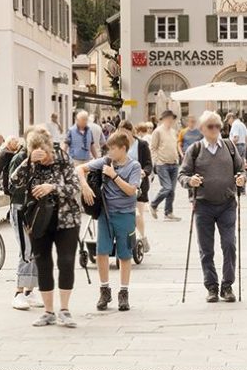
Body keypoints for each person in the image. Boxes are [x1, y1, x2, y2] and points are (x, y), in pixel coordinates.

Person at [12, 126, 82, 328]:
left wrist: (52, 188)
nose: (42, 156)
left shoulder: (63, 159)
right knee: (43, 264)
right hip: (38, 220)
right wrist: (28, 161)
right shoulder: (29, 163)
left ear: (49, 147)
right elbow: (13, 181)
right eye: (37, 152)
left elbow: (74, 187)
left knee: (66, 262)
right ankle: (48, 311)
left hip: (66, 219)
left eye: (44, 151)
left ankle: (65, 309)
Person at [178, 111, 246, 303]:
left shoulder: (229, 147)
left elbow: (240, 169)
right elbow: (182, 175)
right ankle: (212, 286)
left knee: (229, 244)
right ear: (202, 129)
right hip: (203, 205)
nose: (215, 129)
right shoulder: (195, 149)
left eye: (218, 126)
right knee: (206, 249)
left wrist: (241, 178)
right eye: (210, 126)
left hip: (227, 204)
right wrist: (190, 181)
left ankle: (227, 285)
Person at [77, 131, 142, 312]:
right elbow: (79, 169)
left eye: (113, 149)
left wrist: (114, 176)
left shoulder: (134, 166)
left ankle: (124, 292)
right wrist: (85, 186)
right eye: (109, 149)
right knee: (101, 251)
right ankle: (104, 290)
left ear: (123, 148)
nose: (110, 152)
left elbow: (131, 191)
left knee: (125, 255)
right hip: (105, 214)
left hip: (126, 214)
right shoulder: (105, 161)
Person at [3, 136, 40, 309]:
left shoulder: (45, 159)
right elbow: (12, 185)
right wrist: (28, 162)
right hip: (20, 208)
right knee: (26, 249)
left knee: (35, 248)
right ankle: (18, 292)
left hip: (35, 209)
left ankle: (30, 291)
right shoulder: (20, 158)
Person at [122, 119, 153, 253]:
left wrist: (144, 172)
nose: (123, 136)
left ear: (131, 131)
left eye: (125, 133)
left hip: (140, 183)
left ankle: (142, 237)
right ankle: (128, 237)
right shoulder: (119, 144)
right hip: (123, 183)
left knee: (138, 213)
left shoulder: (142, 144)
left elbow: (148, 164)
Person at [149, 110, 183, 221]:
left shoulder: (173, 132)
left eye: (172, 118)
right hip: (162, 163)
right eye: (168, 118)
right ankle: (153, 204)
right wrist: (156, 161)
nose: (170, 120)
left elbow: (175, 145)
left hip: (173, 163)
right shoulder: (158, 131)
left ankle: (168, 212)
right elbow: (153, 148)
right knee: (167, 187)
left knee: (172, 190)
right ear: (163, 119)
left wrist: (177, 158)